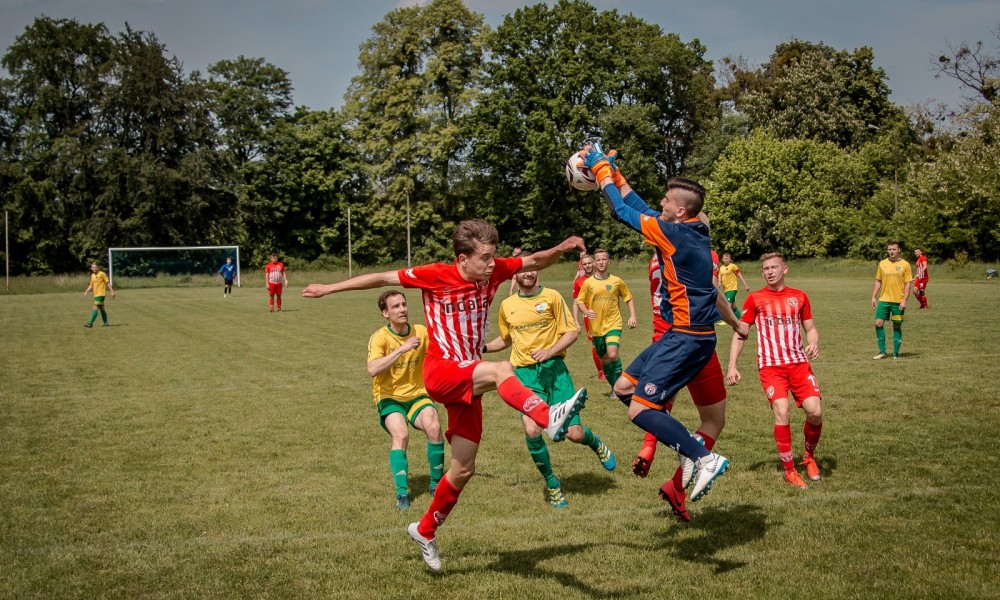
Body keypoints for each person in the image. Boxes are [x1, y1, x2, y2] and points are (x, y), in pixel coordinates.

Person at [302, 219, 587, 572]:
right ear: (462, 259)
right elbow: (379, 279)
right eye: (484, 257)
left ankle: (424, 530)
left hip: (469, 378)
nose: (490, 264)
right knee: (502, 370)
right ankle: (548, 417)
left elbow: (537, 261)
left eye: (493, 256)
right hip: (441, 372)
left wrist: (563, 247)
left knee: (464, 469)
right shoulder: (434, 274)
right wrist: (329, 288)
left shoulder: (494, 270)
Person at [581, 144, 748, 506]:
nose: (662, 202)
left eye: (667, 200)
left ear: (680, 210)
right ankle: (690, 448)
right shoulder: (691, 229)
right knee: (624, 387)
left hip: (688, 338)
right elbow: (641, 209)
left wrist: (600, 173)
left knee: (639, 409)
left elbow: (622, 212)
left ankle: (703, 457)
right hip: (682, 334)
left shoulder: (673, 234)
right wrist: (618, 175)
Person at [632, 232, 744, 522]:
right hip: (692, 341)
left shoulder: (656, 257)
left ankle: (651, 449)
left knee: (646, 401)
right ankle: (684, 468)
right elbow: (713, 293)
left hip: (661, 340)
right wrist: (735, 322)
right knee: (714, 420)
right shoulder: (697, 252)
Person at [485, 262, 616, 508]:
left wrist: (550, 351)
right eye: (523, 270)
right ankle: (552, 483)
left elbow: (572, 332)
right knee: (532, 429)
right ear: (516, 274)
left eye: (532, 269)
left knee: (574, 435)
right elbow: (505, 339)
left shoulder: (552, 296)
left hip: (555, 372)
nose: (528, 274)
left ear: (537, 272)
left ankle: (595, 442)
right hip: (525, 375)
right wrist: (481, 347)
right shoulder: (508, 305)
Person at [726, 253, 824, 489]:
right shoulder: (755, 298)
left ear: (785, 269)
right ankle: (789, 471)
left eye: (773, 267)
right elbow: (741, 333)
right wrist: (732, 365)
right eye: (765, 269)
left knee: (816, 412)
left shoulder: (799, 297)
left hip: (799, 364)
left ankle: (808, 457)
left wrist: (813, 342)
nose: (769, 271)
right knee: (782, 410)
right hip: (771, 366)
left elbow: (810, 328)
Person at [367, 290, 445, 510]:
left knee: (434, 426)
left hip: (417, 394)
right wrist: (401, 349)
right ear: (385, 313)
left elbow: (442, 349)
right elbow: (373, 369)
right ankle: (402, 494)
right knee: (401, 434)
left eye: (403, 304)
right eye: (395, 307)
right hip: (389, 397)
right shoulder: (380, 337)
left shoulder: (421, 332)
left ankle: (436, 484)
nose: (402, 309)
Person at [575, 248, 637, 393]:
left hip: (614, 323)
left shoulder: (616, 281)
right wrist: (585, 311)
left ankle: (622, 386)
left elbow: (628, 297)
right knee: (604, 359)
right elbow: (580, 301)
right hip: (596, 326)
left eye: (604, 259)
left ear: (609, 261)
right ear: (595, 263)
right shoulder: (588, 283)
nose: (601, 262)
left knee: (613, 354)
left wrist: (633, 316)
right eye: (598, 260)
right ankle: (614, 387)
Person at [871, 241, 913, 360]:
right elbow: (878, 280)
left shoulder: (905, 265)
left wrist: (904, 300)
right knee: (878, 323)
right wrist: (873, 296)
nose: (891, 252)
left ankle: (895, 354)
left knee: (896, 326)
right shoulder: (882, 263)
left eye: (894, 249)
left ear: (899, 250)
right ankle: (882, 352)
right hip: (884, 300)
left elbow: (907, 284)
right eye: (889, 249)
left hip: (898, 301)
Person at [572, 253, 607, 381]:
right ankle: (601, 371)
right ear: (582, 266)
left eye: (589, 263)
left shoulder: (603, 277)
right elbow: (576, 303)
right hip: (590, 316)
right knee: (595, 344)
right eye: (584, 264)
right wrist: (576, 321)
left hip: (607, 314)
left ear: (594, 263)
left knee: (609, 341)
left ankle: (610, 366)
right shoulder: (579, 282)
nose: (587, 266)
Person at [82, 262, 115, 328]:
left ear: (98, 267)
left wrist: (112, 291)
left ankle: (90, 323)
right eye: (93, 267)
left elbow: (107, 283)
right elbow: (91, 285)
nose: (94, 268)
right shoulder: (92, 275)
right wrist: (86, 291)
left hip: (101, 294)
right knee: (101, 308)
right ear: (91, 268)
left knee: (95, 307)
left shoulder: (102, 274)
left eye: (95, 267)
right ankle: (106, 323)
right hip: (96, 295)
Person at [718, 252, 750, 318]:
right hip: (726, 290)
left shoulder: (733, 266)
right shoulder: (721, 268)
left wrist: (745, 285)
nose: (726, 260)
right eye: (725, 258)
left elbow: (740, 276)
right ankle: (739, 319)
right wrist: (719, 283)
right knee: (733, 307)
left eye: (727, 258)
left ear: (730, 259)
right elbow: (720, 278)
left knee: (727, 305)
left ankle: (725, 318)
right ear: (722, 259)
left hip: (732, 288)